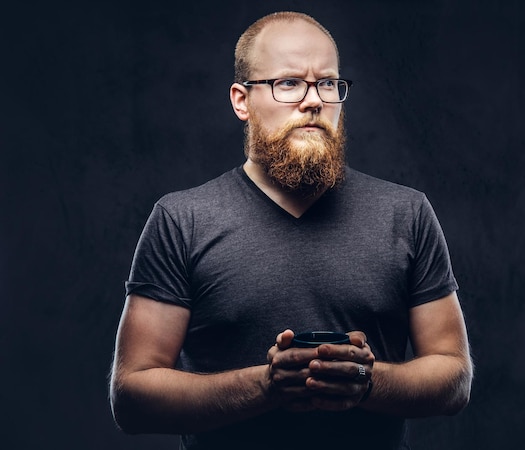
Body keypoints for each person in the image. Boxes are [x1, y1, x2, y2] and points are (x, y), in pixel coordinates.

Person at [109, 11, 473, 450]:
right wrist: (267, 386)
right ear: (241, 101)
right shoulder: (181, 219)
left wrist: (365, 381)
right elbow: (131, 397)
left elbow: (454, 377)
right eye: (288, 83)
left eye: (327, 83)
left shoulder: (406, 213)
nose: (314, 100)